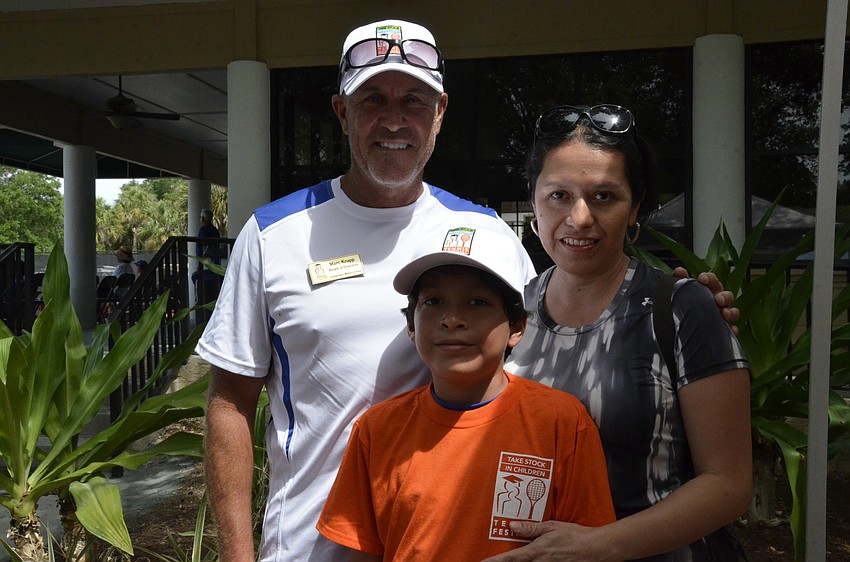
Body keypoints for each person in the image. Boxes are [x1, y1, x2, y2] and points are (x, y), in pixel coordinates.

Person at [197, 19, 536, 562]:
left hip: (451, 545)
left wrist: (669, 304)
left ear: (440, 113)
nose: (394, 120)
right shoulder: (272, 235)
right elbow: (230, 403)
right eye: (373, 99)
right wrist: (237, 555)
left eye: (414, 101)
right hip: (306, 547)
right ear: (342, 112)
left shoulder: (488, 234)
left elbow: (541, 374)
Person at [489, 104, 752, 561]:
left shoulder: (681, 310)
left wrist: (596, 547)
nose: (580, 217)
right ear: (533, 202)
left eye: (604, 196)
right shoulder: (507, 313)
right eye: (558, 195)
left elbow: (727, 485)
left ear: (635, 209)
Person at [316, 226, 615, 560]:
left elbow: (589, 546)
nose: (452, 319)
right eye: (434, 301)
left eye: (477, 302)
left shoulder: (562, 423)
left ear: (517, 327)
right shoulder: (376, 430)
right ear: (411, 326)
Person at [193, 208, 222, 322]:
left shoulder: (204, 231)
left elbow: (204, 247)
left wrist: (201, 262)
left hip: (206, 269)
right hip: (215, 268)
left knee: (203, 298)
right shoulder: (215, 231)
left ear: (203, 219)